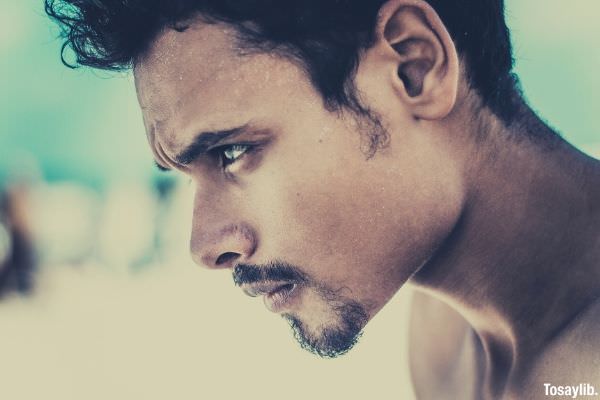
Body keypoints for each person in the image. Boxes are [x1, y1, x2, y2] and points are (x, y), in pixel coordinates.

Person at [45, 0, 600, 398]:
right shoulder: (444, 330)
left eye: (234, 152)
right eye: (184, 176)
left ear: (414, 67)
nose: (203, 246)